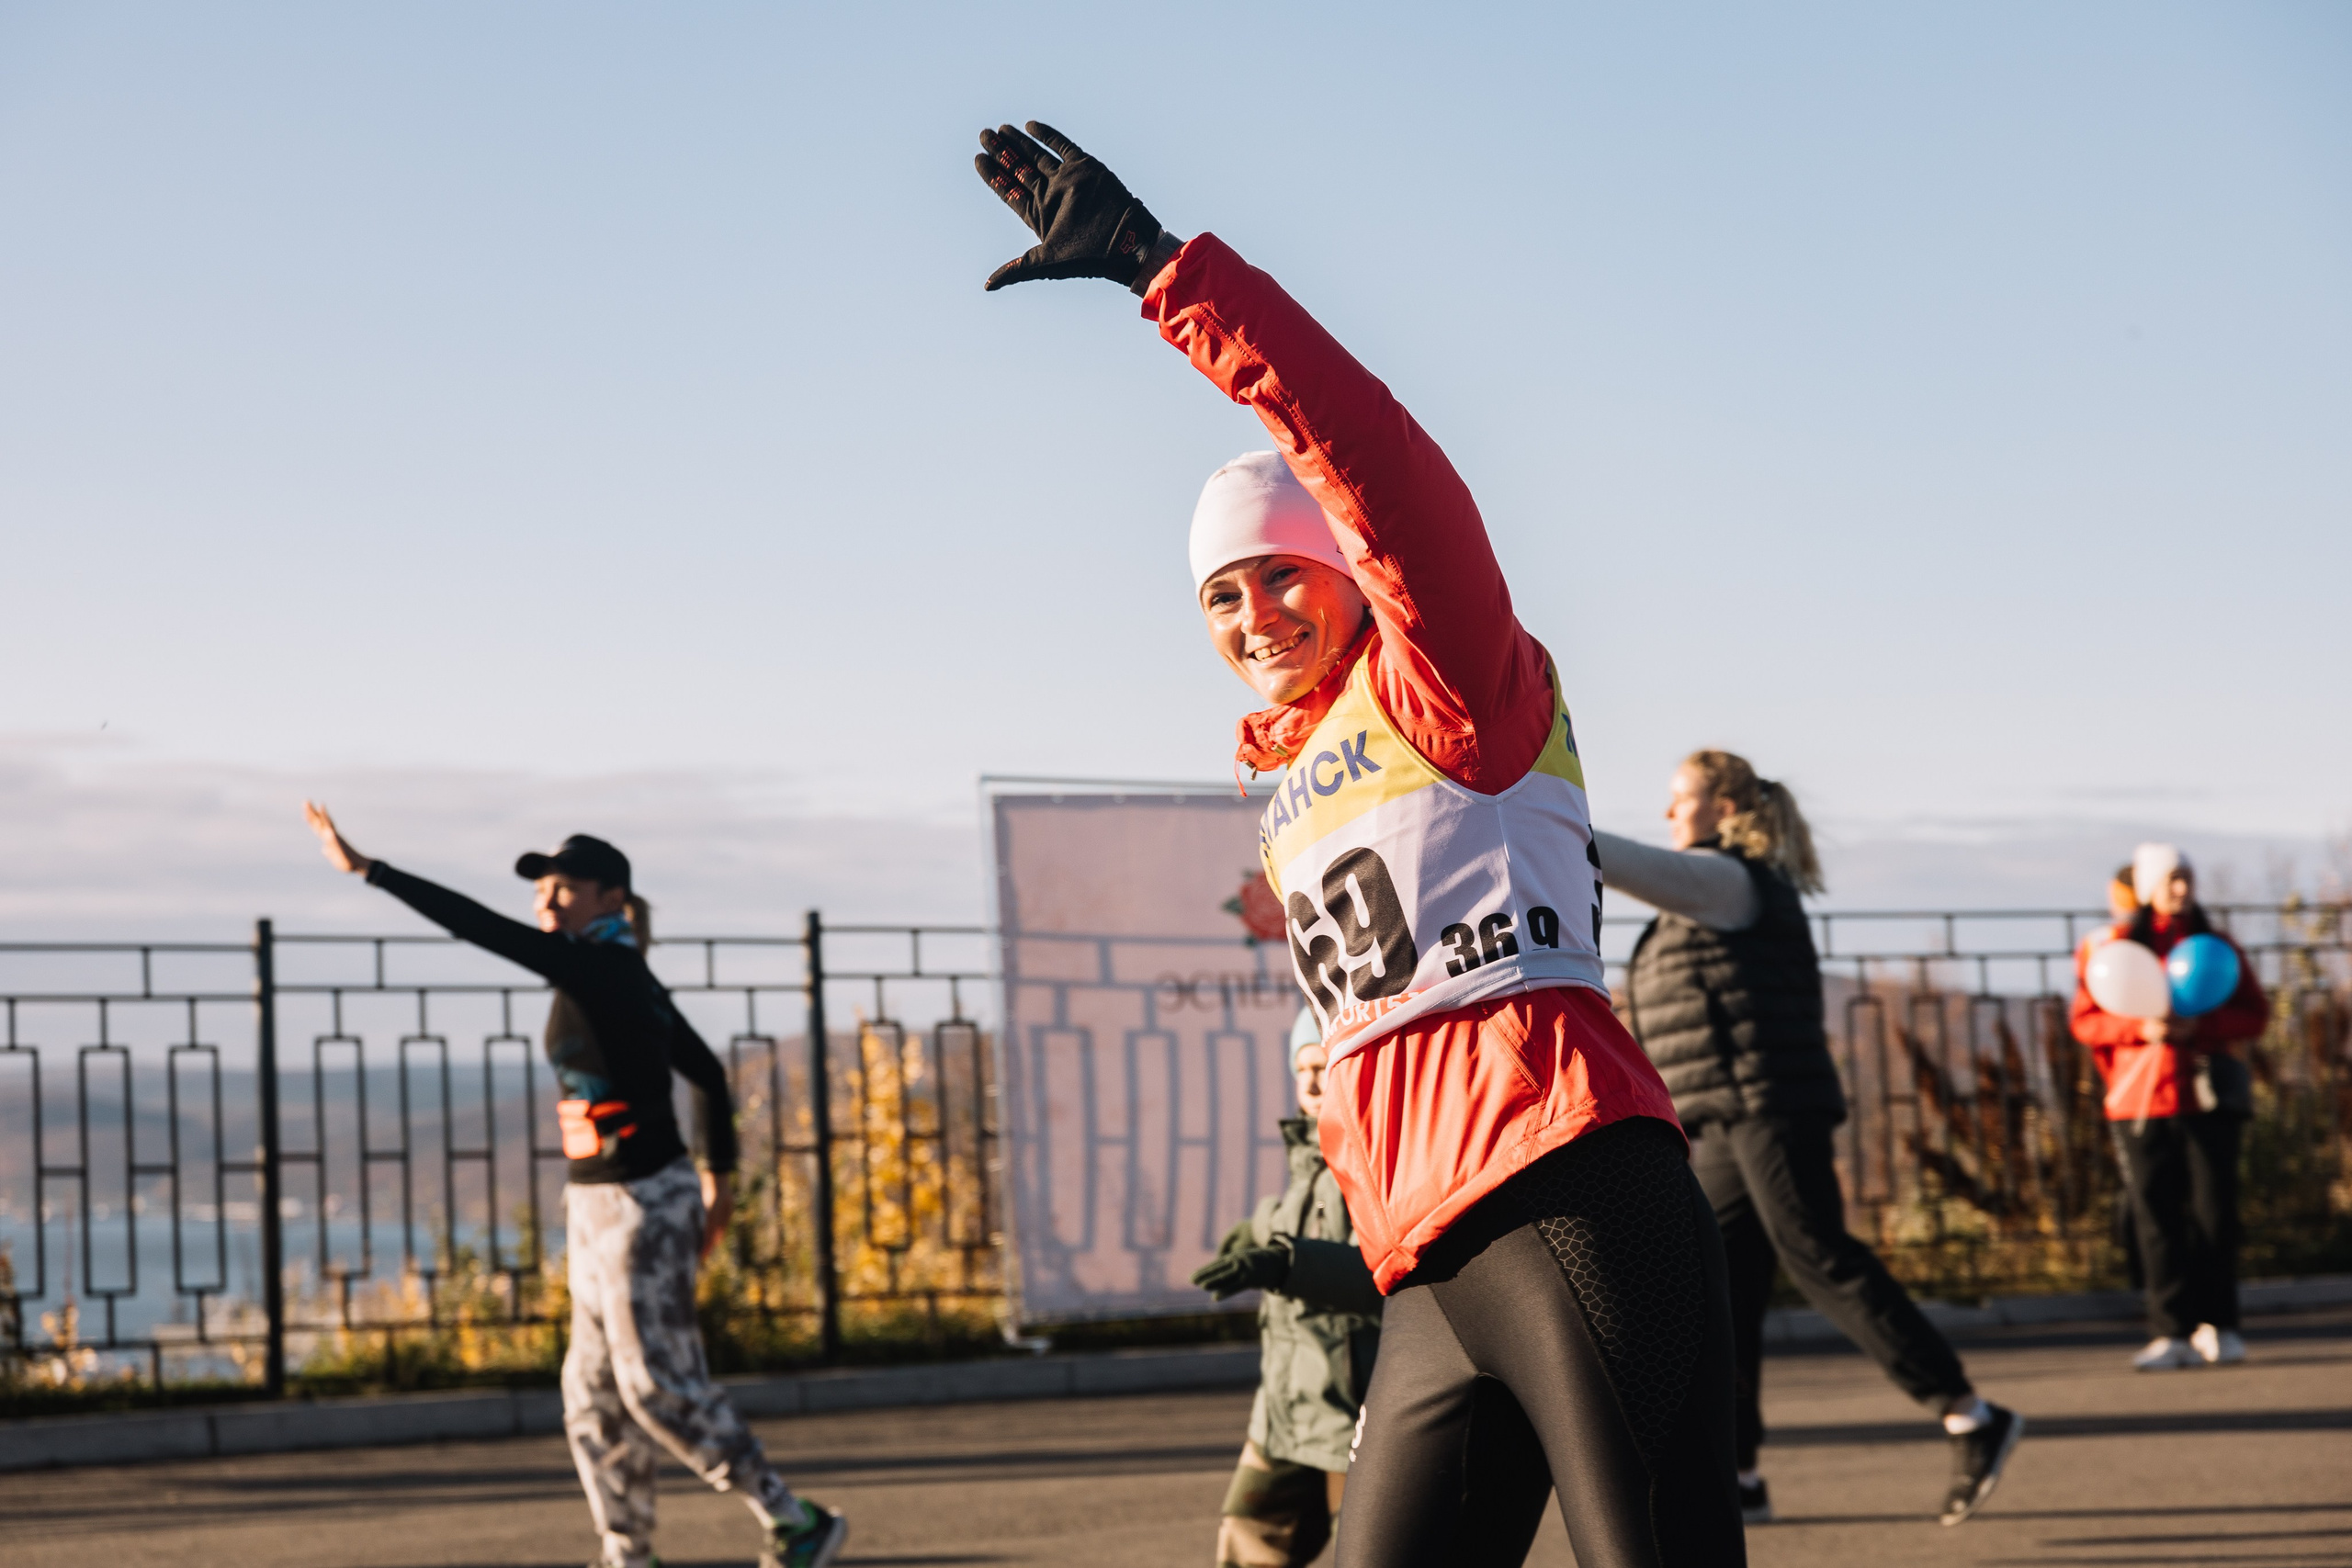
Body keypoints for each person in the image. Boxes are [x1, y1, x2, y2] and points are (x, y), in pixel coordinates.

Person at [972, 121, 1743, 1566]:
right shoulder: (1290, 775)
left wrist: (1160, 268)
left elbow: (1376, 463)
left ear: (1348, 574)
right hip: (1429, 1267)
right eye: (1220, 597)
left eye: (1282, 575)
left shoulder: (1448, 682)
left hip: (1567, 1184)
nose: (1253, 614)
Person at [301, 806, 847, 1568]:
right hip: (594, 1201)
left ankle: (796, 1518)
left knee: (656, 1388)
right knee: (590, 1398)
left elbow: (480, 928)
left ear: (610, 898)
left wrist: (372, 870)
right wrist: (718, 1183)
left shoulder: (605, 967)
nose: (546, 903)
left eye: (564, 889)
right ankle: (628, 1554)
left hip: (644, 1200)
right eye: (541, 890)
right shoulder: (614, 972)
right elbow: (708, 1074)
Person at [1596, 750, 2023, 1528]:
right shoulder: (1703, 898)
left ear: (1725, 807)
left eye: (1678, 799)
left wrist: (1545, 822)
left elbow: (1619, 861)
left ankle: (1970, 1413)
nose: (1666, 814)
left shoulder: (1730, 880)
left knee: (1819, 1255)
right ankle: (1740, 1472)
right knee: (1713, 1290)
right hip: (1718, 1119)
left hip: (1768, 1107)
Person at [1191, 1008, 1384, 1568]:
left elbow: (1388, 1278)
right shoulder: (1306, 1161)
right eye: (1303, 1067)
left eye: (1324, 1064)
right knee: (1243, 1548)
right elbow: (1292, 1224)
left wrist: (1282, 1263)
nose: (1313, 1081)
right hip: (1281, 1417)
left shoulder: (1374, 1157)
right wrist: (1254, 1232)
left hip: (1355, 1424)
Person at [2068, 843, 2268, 1371]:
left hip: (2208, 1098)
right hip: (2138, 1098)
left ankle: (2219, 1325)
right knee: (2154, 1216)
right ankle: (2169, 1330)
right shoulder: (2111, 949)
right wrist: (2141, 1028)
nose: (2181, 890)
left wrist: (2199, 1028)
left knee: (2214, 1212)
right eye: (2171, 879)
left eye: (2187, 879)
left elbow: (2254, 1014)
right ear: (2149, 885)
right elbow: (2085, 1020)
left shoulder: (2215, 946)